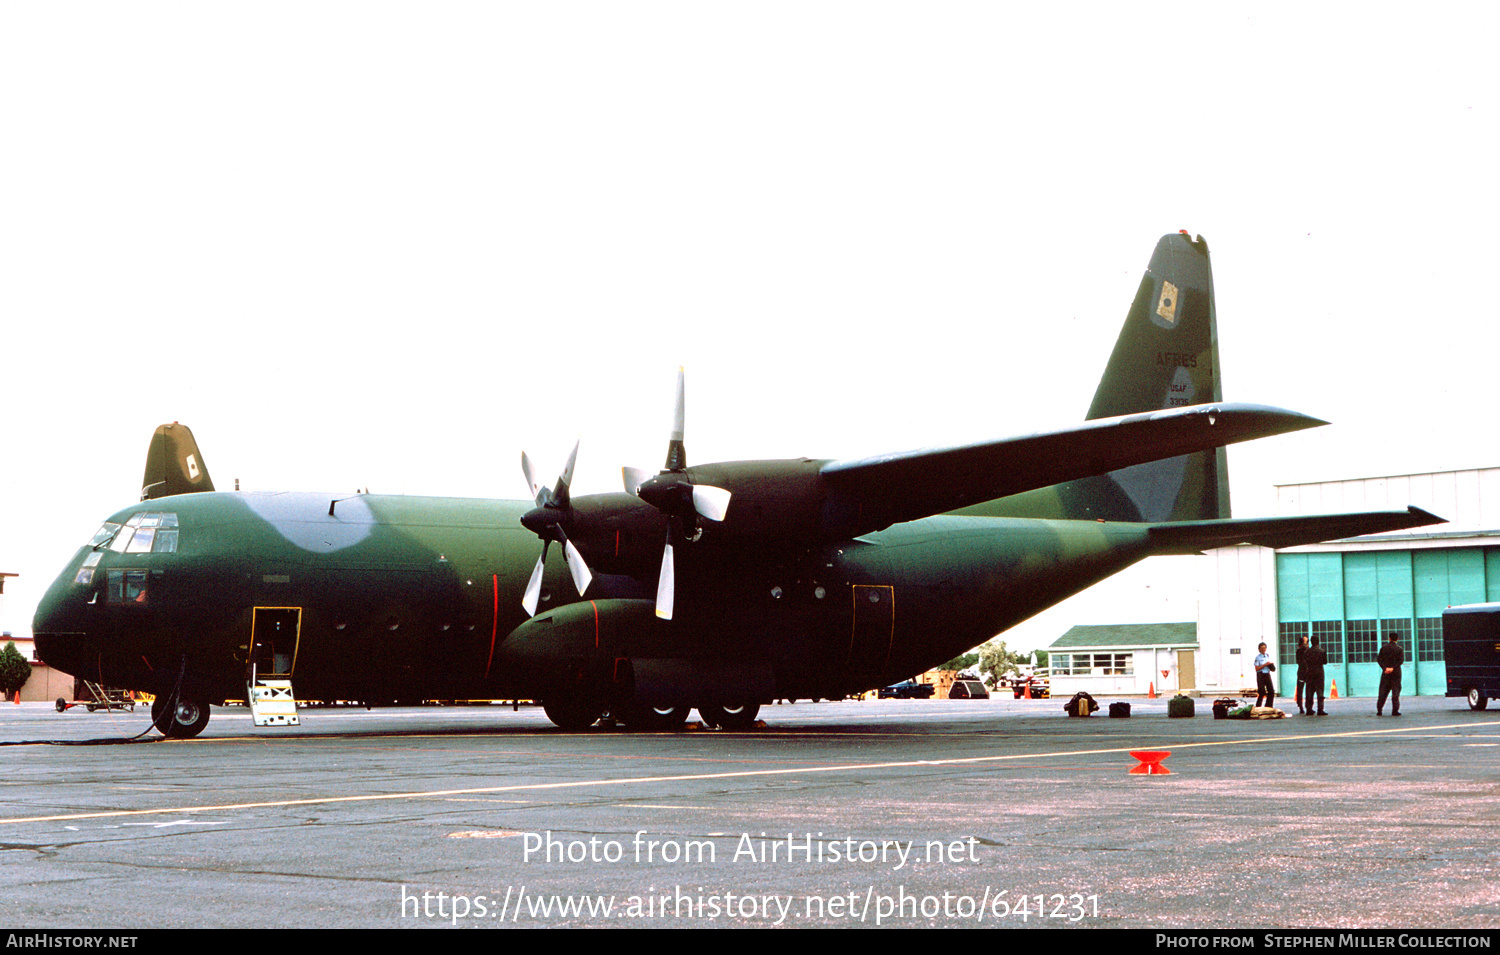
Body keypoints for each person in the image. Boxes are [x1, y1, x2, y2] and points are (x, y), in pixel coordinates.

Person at [1376, 632, 1404, 716]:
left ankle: (1379, 710)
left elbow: (1379, 659)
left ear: (1389, 638)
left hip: (1386, 673)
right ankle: (1395, 710)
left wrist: (1385, 668)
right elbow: (1401, 660)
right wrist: (1393, 668)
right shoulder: (1399, 649)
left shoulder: (1383, 648)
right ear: (1397, 639)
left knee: (1383, 692)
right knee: (1395, 692)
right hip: (1396, 673)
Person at [1302, 636, 1327, 715]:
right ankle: (1320, 709)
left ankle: (1309, 709)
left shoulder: (1306, 652)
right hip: (1319, 672)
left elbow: (1304, 661)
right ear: (1318, 642)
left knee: (1309, 691)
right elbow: (1325, 662)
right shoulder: (1322, 651)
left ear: (1311, 642)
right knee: (1320, 691)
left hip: (1309, 672)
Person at [1254, 642, 1276, 708]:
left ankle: (1268, 706)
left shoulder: (1267, 655)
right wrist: (1264, 665)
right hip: (1261, 674)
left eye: (1264, 648)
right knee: (1262, 692)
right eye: (1261, 648)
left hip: (1267, 674)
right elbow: (1257, 668)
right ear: (1259, 649)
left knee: (1271, 691)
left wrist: (1270, 665)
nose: (1263, 649)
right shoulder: (1257, 657)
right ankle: (1258, 706)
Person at [1295, 634, 1309, 714]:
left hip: (1304, 672)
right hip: (1302, 672)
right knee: (1301, 690)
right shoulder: (1300, 651)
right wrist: (1304, 641)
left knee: (1306, 690)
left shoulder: (1306, 651)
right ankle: (1301, 705)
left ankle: (1304, 706)